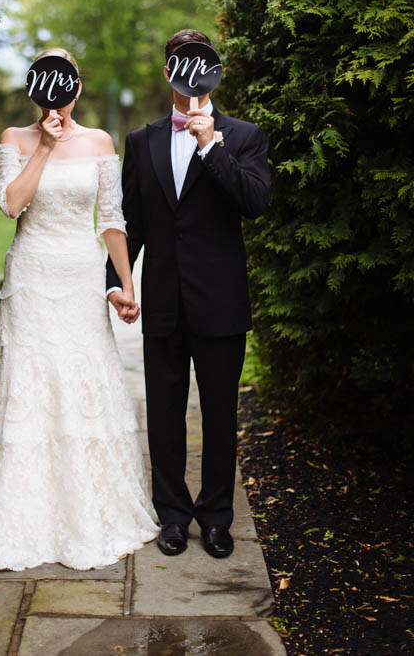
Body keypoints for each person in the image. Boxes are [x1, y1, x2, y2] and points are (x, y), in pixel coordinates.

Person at [0, 48, 158, 572]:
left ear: (76, 87)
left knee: (83, 383)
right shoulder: (14, 141)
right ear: (34, 86)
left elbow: (111, 220)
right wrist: (42, 147)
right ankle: (22, 519)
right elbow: (10, 204)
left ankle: (93, 513)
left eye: (65, 77)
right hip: (32, 275)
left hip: (79, 276)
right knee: (30, 386)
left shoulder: (98, 142)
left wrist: (126, 286)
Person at [107, 29, 270, 560]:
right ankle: (173, 516)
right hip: (163, 302)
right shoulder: (142, 141)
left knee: (221, 416)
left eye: (197, 63)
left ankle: (217, 518)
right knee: (164, 414)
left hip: (220, 301)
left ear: (212, 71)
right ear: (168, 72)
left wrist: (209, 145)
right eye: (179, 62)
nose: (189, 73)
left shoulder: (243, 136)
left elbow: (253, 201)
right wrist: (117, 281)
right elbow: (131, 222)